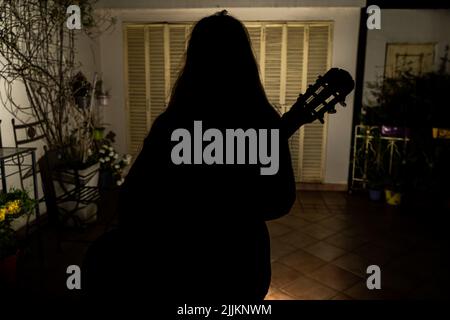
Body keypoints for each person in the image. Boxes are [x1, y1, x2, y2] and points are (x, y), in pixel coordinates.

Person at [84, 10, 314, 302]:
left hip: (180, 266)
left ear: (193, 62)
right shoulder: (263, 120)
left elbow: (132, 198)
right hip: (242, 265)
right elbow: (280, 201)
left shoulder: (172, 123)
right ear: (245, 61)